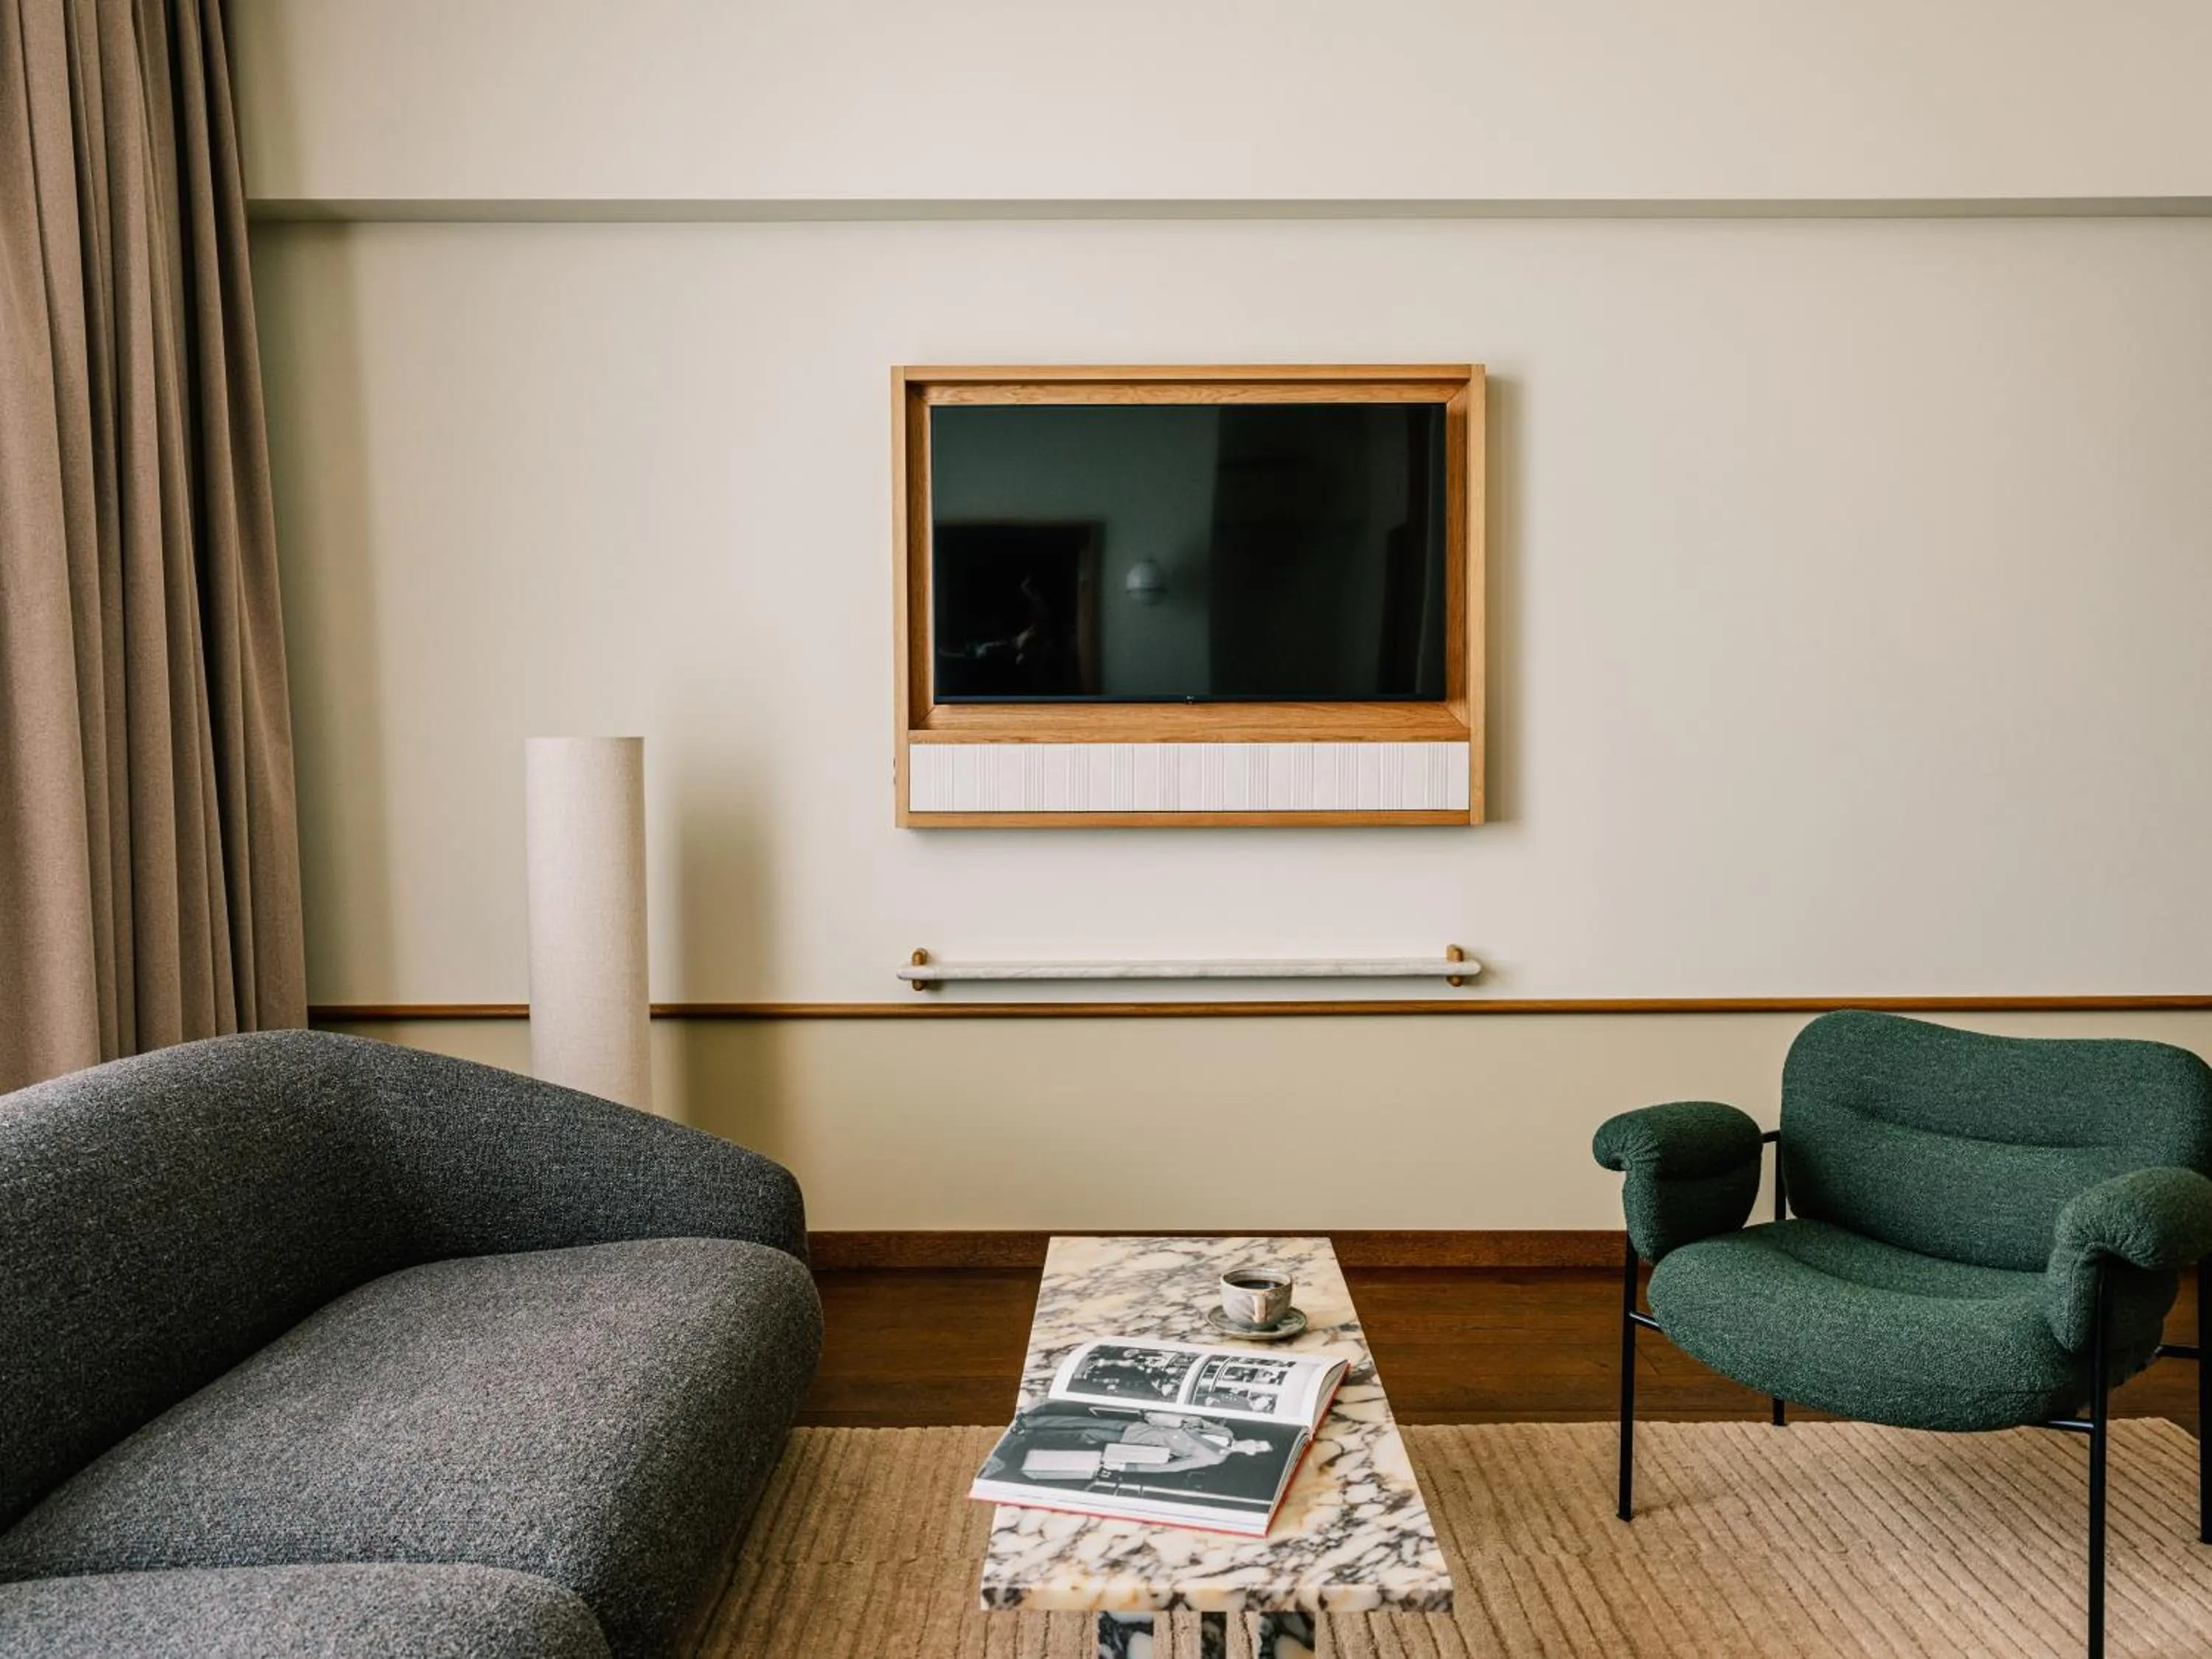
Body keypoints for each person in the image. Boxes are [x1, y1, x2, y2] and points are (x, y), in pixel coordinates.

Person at [990, 1411, 1272, 1478]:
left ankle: (1030, 1436)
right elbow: (1195, 1420)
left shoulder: (1216, 1458)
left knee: (1084, 1434)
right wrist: (1181, 1420)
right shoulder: (1225, 1430)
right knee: (1079, 1420)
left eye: (1256, 1450)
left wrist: (1127, 1465)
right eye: (1257, 1442)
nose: (1252, 1445)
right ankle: (1031, 1423)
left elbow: (1172, 1468)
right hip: (1144, 1426)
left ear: (1249, 1455)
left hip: (1138, 1444)